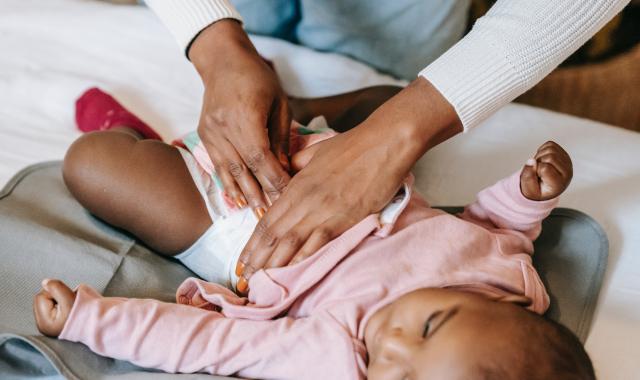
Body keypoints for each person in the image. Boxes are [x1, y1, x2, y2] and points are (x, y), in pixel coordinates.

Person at [33, 88, 589, 379]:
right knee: (389, 98)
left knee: (93, 165)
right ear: (515, 307)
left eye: (398, 379)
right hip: (346, 162)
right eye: (430, 324)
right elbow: (494, 227)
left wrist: (91, 320)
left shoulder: (334, 357)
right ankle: (296, 110)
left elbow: (213, 345)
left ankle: (133, 136)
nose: (390, 340)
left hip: (240, 222)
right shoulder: (503, 273)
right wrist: (528, 196)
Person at [143, 0, 630, 291]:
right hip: (323, 150)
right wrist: (214, 42)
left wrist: (400, 131)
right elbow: (496, 233)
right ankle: (287, 97)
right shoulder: (497, 290)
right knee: (378, 91)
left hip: (229, 223)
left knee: (99, 164)